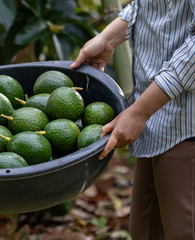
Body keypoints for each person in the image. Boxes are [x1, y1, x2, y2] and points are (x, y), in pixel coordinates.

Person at [71, 1, 195, 239]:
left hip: (185, 125)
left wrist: (139, 111)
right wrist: (108, 38)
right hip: (157, 119)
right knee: (145, 231)